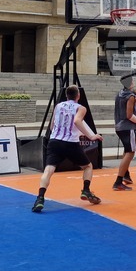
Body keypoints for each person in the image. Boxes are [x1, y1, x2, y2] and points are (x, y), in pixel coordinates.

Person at [32, 85, 104, 213]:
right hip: (70, 143)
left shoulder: (58, 106)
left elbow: (52, 125)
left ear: (66, 95)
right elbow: (77, 121)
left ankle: (40, 198)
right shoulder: (81, 108)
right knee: (87, 166)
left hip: (54, 141)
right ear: (78, 96)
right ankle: (86, 190)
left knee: (48, 170)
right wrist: (91, 136)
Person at [112, 75, 136, 191]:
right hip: (128, 126)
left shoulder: (119, 94)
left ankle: (126, 174)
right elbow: (129, 115)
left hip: (119, 126)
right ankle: (118, 181)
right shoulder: (130, 96)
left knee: (127, 150)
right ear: (131, 83)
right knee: (130, 152)